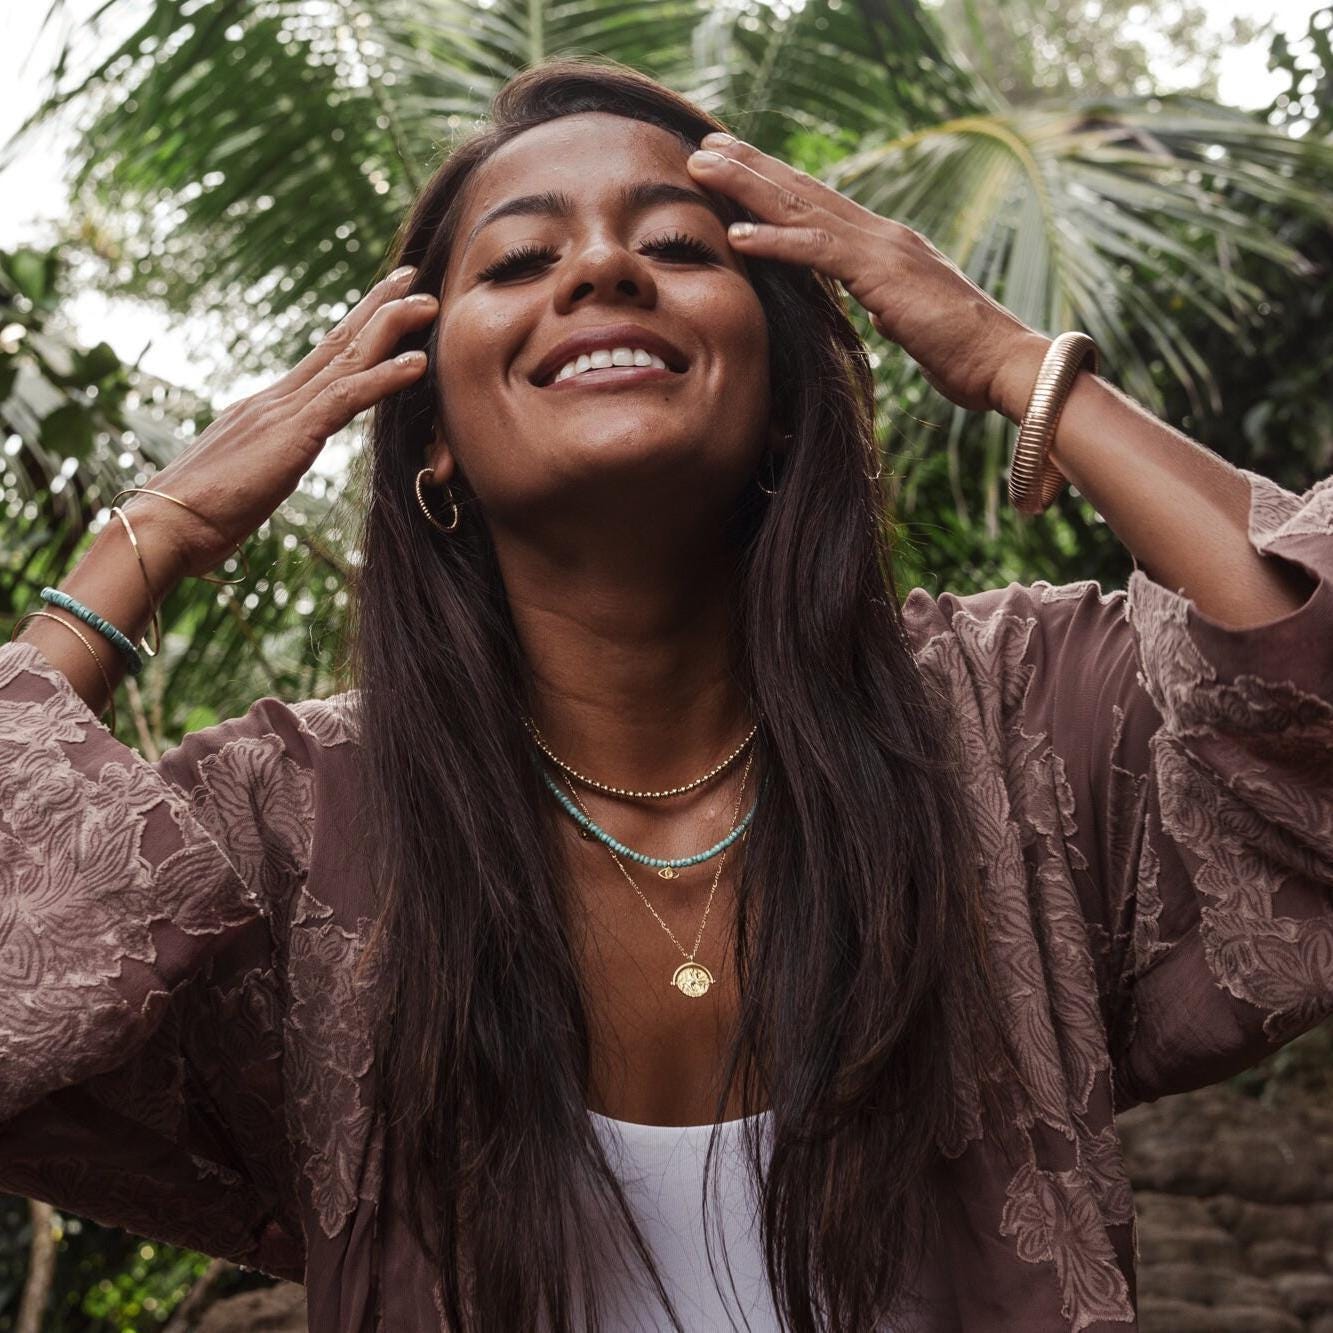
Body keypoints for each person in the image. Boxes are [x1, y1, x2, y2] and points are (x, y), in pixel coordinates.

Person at [2, 55, 1330, 1333]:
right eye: (519, 261)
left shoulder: (1013, 722)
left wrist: (1007, 358)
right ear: (434, 435)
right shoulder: (294, 827)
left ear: (782, 397)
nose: (600, 268)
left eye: (682, 246)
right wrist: (155, 533)